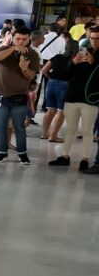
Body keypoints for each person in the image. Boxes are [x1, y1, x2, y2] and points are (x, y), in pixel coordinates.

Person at [50, 28, 99, 171]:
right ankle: (65, 156)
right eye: (92, 38)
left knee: (87, 131)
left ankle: (85, 158)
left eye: (97, 39)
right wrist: (73, 62)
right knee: (70, 129)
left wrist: (93, 62)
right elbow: (65, 73)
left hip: (90, 99)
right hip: (72, 96)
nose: (94, 41)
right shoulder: (82, 50)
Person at [0, 26, 40, 165]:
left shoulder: (32, 54)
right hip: (1, 95)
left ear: (29, 39)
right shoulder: (4, 49)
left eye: (24, 39)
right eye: (18, 38)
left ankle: (22, 153)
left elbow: (31, 75)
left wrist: (24, 67)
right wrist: (12, 49)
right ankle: (1, 152)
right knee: (1, 124)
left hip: (19, 96)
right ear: (13, 38)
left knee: (19, 126)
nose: (21, 42)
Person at [40, 37, 75, 142]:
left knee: (50, 110)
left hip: (51, 84)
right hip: (65, 86)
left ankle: (45, 134)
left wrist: (51, 78)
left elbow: (44, 70)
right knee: (60, 112)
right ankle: (53, 136)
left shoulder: (57, 57)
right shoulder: (76, 59)